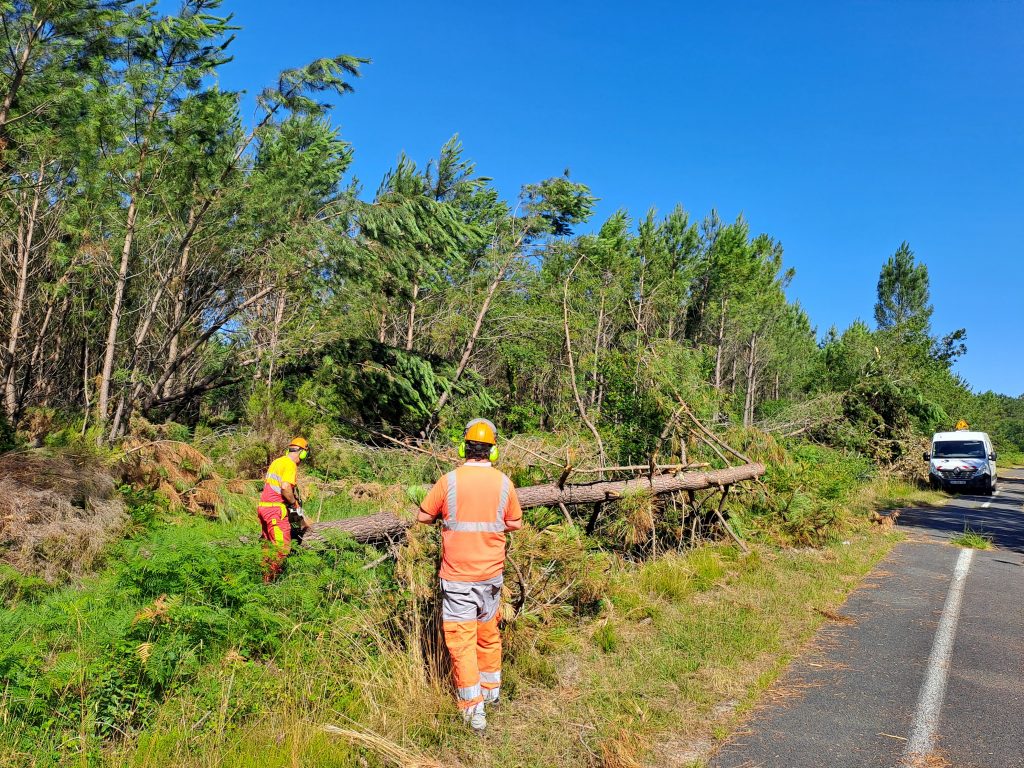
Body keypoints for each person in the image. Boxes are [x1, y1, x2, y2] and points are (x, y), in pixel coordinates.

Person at [417, 418, 523, 733]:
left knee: (461, 643)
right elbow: (515, 522)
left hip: (458, 578)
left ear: (464, 448)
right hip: (491, 577)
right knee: (488, 634)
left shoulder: (448, 481)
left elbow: (423, 516)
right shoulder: (504, 483)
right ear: (492, 452)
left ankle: (473, 711)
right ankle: (492, 694)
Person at [258, 437, 311, 582]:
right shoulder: (290, 464)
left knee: (268, 548)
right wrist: (294, 504)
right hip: (275, 510)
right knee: (282, 549)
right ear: (302, 453)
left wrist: (299, 516)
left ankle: (263, 578)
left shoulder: (278, 461)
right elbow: (285, 488)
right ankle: (270, 583)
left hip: (264, 508)